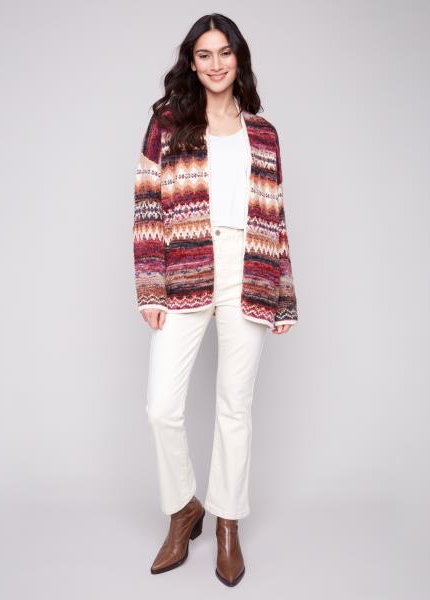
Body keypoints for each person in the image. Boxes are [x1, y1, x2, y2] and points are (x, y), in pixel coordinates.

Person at [133, 13, 298, 587]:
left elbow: (275, 217)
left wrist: (283, 296)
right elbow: (147, 204)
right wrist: (150, 287)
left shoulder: (264, 133)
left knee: (235, 406)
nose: (216, 64)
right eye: (204, 55)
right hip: (183, 269)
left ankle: (227, 521)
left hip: (249, 268)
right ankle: (184, 508)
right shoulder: (167, 122)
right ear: (192, 62)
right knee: (161, 406)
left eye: (224, 52)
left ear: (238, 57)